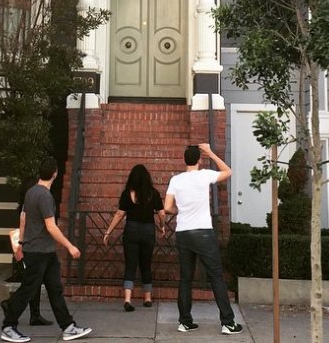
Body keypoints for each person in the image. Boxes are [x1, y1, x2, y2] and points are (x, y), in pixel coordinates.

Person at [0, 156, 92, 343]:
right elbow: (51, 227)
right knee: (28, 290)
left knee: (55, 289)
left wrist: (20, 245)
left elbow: (23, 219)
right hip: (38, 252)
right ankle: (8, 326)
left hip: (44, 252)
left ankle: (68, 327)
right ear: (55, 174)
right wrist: (70, 245)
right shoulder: (45, 196)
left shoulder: (31, 192)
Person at [164, 144, 243, 335]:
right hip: (203, 233)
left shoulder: (175, 180)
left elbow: (167, 207)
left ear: (185, 160)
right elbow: (228, 171)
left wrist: (179, 210)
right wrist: (210, 152)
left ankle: (185, 322)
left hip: (183, 233)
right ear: (198, 160)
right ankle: (228, 322)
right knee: (216, 276)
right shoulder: (204, 174)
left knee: (185, 279)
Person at [103, 164, 166, 311]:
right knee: (146, 264)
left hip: (131, 229)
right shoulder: (153, 193)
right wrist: (162, 225)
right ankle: (148, 298)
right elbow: (162, 213)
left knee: (130, 264)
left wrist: (108, 232)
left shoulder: (127, 193)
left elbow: (119, 214)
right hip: (148, 230)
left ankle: (127, 299)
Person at [2, 178, 53, 326]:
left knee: (33, 280)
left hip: (29, 244)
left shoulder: (28, 201)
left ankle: (34, 314)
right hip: (30, 245)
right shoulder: (31, 202)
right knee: (32, 281)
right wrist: (21, 244)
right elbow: (24, 222)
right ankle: (12, 305)